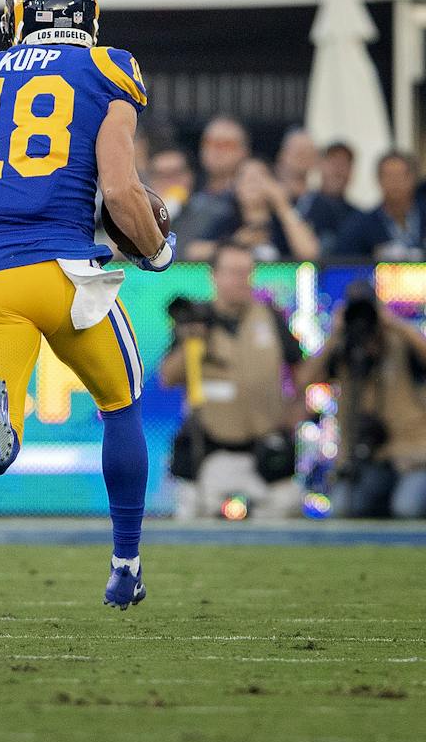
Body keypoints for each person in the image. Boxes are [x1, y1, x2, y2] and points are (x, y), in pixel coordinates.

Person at [0, 0, 168, 611]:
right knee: (122, 404)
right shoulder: (107, 68)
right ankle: (126, 564)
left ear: (22, 15)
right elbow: (118, 188)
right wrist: (158, 249)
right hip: (71, 276)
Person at [158, 242, 307, 519]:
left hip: (266, 448)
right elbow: (167, 377)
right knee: (193, 507)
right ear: (214, 275)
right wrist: (192, 340)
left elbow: (300, 369)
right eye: (233, 272)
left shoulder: (270, 316)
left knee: (287, 504)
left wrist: (297, 408)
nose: (241, 279)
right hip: (213, 447)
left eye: (246, 272)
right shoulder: (197, 318)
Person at [298, 285, 426, 519]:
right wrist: (334, 335)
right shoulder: (342, 351)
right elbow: (302, 381)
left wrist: (395, 324)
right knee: (342, 508)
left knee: (406, 507)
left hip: (413, 458)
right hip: (366, 461)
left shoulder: (399, 343)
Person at [190, 158, 320, 262]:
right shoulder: (229, 220)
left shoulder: (283, 223)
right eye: (245, 177)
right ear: (236, 187)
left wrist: (283, 205)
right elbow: (194, 251)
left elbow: (309, 253)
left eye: (260, 177)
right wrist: (235, 242)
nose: (252, 181)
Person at [173, 116, 250, 252]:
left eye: (226, 144)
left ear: (244, 151)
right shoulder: (188, 193)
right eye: (210, 143)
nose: (217, 150)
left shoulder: (251, 198)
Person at [337, 152, 426, 260]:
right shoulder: (360, 225)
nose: (395, 183)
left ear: (413, 178)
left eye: (401, 176)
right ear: (379, 180)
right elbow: (345, 265)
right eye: (389, 176)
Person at [297, 141, 362, 257]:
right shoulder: (303, 205)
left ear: (352, 171)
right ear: (320, 165)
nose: (338, 171)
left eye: (344, 164)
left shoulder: (359, 218)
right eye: (333, 163)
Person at [147, 147, 194, 222]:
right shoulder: (144, 217)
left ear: (189, 176)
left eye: (175, 174)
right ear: (151, 181)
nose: (169, 182)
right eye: (162, 176)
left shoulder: (207, 212)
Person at [274, 126, 318, 203]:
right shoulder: (269, 197)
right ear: (283, 155)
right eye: (299, 153)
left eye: (308, 153)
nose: (303, 158)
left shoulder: (321, 203)